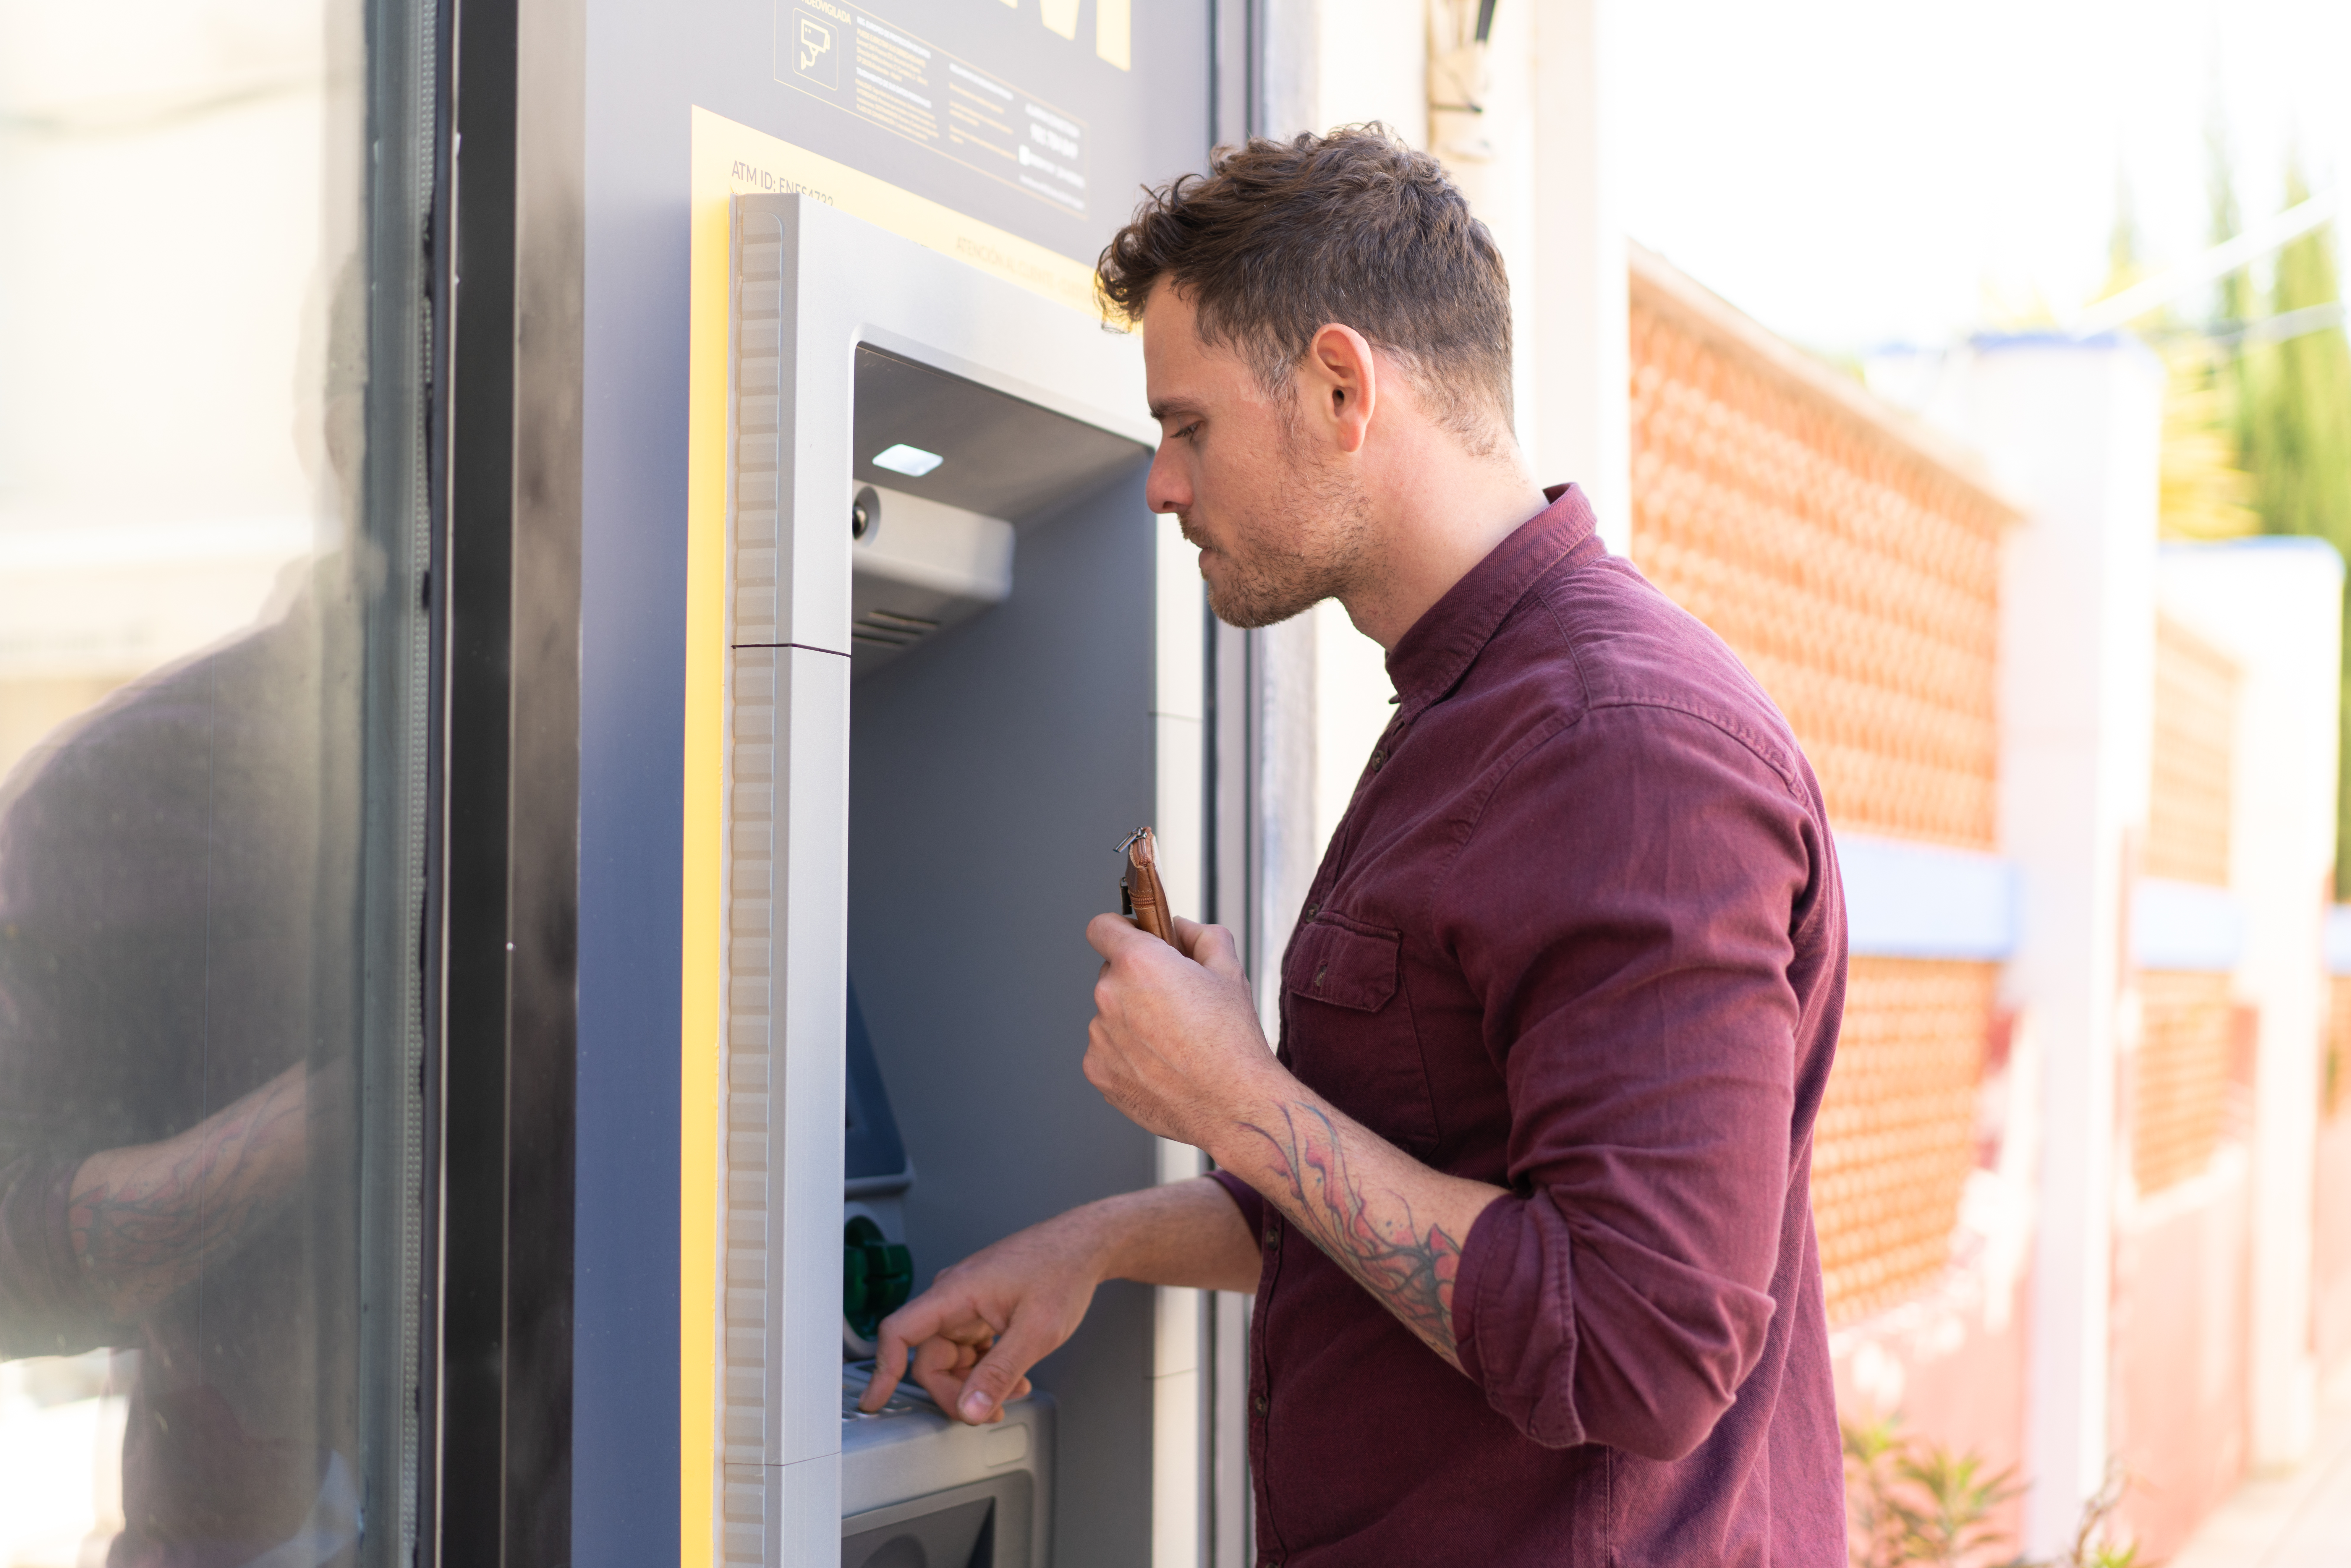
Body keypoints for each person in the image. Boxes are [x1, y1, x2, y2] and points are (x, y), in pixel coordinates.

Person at [860, 126, 1848, 1565]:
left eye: (1187, 425)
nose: (1158, 486)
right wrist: (1099, 1241)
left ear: (1339, 387)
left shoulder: (1617, 748)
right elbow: (1429, 1196)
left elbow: (1636, 1347)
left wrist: (1235, 1095)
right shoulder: (1475, 710)